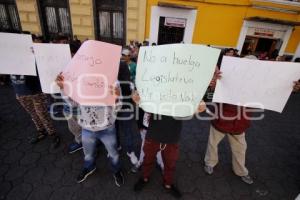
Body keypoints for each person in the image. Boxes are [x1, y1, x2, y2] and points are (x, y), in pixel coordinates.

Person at [132, 92, 206, 199]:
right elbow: (141, 103)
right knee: (148, 159)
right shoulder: (155, 87)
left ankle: (168, 183)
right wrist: (137, 100)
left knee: (170, 163)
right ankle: (144, 178)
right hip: (153, 133)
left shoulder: (181, 90)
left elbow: (189, 110)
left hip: (172, 135)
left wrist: (197, 108)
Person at [56, 75, 125, 186]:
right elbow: (73, 104)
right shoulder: (79, 79)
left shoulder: (112, 79)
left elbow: (118, 107)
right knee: (88, 153)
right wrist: (63, 88)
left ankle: (116, 170)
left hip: (107, 128)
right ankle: (89, 167)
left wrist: (116, 98)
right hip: (87, 128)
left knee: (113, 154)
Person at [203, 49, 254, 185]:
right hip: (222, 118)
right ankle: (210, 163)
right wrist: (214, 84)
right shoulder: (227, 75)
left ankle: (241, 171)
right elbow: (212, 93)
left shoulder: (256, 84)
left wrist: (292, 87)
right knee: (213, 144)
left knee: (240, 149)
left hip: (240, 122)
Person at [10, 34, 60, 148]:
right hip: (20, 91)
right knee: (33, 114)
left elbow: (46, 68)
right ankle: (41, 131)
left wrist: (35, 56)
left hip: (36, 91)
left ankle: (53, 134)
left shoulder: (35, 55)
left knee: (42, 114)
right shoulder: (10, 56)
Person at [115, 61, 139, 172]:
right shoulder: (130, 83)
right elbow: (134, 99)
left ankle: (118, 146)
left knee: (115, 130)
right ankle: (130, 152)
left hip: (114, 110)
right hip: (125, 110)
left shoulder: (112, 82)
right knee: (127, 132)